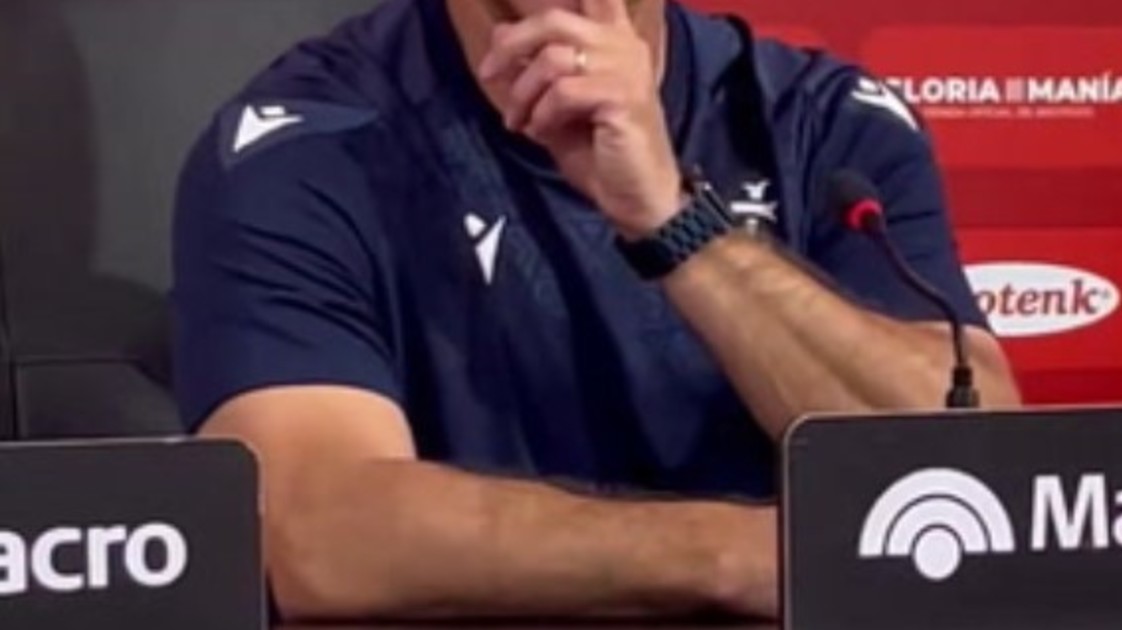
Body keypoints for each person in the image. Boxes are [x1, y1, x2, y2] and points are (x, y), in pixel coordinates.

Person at [172, 0, 1021, 621]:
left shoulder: (822, 122)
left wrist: (673, 222)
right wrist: (740, 555)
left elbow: (967, 470)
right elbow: (320, 536)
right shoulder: (309, 142)